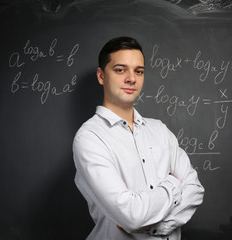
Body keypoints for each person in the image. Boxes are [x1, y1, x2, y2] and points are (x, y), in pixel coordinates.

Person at [73, 36, 204, 240]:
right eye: (120, 70)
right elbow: (131, 215)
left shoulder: (159, 130)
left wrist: (158, 227)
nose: (131, 78)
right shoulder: (90, 138)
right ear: (101, 76)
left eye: (139, 71)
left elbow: (194, 189)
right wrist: (173, 183)